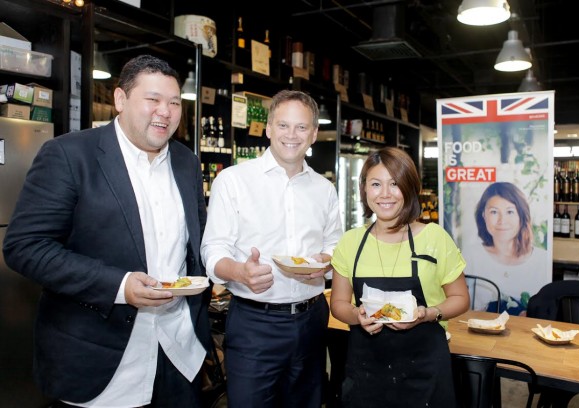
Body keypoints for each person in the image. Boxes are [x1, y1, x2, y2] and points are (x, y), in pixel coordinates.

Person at [2, 55, 211, 407]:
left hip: (179, 353)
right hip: (100, 360)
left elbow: (196, 240)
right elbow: (25, 247)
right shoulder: (69, 154)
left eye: (174, 102)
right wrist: (118, 285)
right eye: (153, 99)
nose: (165, 111)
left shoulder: (185, 162)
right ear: (120, 99)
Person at [201, 89, 342, 407]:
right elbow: (213, 248)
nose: (292, 135)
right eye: (283, 125)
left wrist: (326, 260)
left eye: (301, 127)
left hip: (312, 321)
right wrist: (239, 271)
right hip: (255, 324)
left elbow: (335, 243)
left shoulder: (324, 188)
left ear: (314, 134)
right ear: (268, 128)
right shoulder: (234, 180)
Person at [330, 146, 469, 408]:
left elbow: (460, 298)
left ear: (409, 187)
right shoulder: (350, 242)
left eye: (394, 184)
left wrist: (427, 313)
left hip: (425, 370)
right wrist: (357, 317)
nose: (385, 194)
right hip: (366, 371)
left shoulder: (435, 238)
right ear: (364, 189)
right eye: (375, 184)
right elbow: (338, 304)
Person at [461, 181, 548, 313]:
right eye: (494, 212)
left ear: (521, 216)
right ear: (483, 215)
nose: (502, 221)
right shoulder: (471, 255)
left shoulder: (542, 259)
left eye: (510, 212)